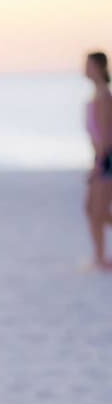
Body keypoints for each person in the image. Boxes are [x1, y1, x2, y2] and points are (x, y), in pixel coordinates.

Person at [84, 51, 112, 269]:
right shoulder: (96, 95)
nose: (84, 68)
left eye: (88, 65)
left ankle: (101, 259)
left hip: (107, 159)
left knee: (98, 211)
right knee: (91, 209)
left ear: (99, 68)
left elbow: (106, 136)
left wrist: (98, 164)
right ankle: (99, 257)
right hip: (101, 158)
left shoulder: (104, 96)